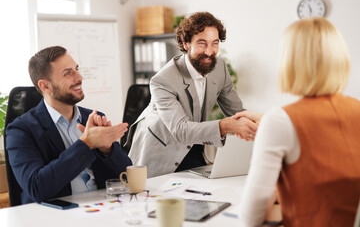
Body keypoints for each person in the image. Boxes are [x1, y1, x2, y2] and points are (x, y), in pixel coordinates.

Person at [238, 17, 360, 226]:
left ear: (290, 62)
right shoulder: (356, 108)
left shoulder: (279, 122)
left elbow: (251, 218)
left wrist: (272, 126)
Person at [126, 11, 261, 178]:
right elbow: (181, 130)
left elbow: (237, 113)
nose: (209, 52)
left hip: (193, 147)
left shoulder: (219, 69)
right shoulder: (162, 80)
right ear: (186, 43)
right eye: (202, 43)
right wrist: (227, 126)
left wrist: (256, 127)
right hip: (160, 153)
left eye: (215, 43)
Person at [6, 46, 132, 204]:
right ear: (45, 86)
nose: (79, 77)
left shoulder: (93, 119)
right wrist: (86, 144)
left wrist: (107, 149)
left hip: (102, 210)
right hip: (57, 217)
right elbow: (36, 188)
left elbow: (127, 175)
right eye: (67, 73)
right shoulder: (20, 131)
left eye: (76, 69)